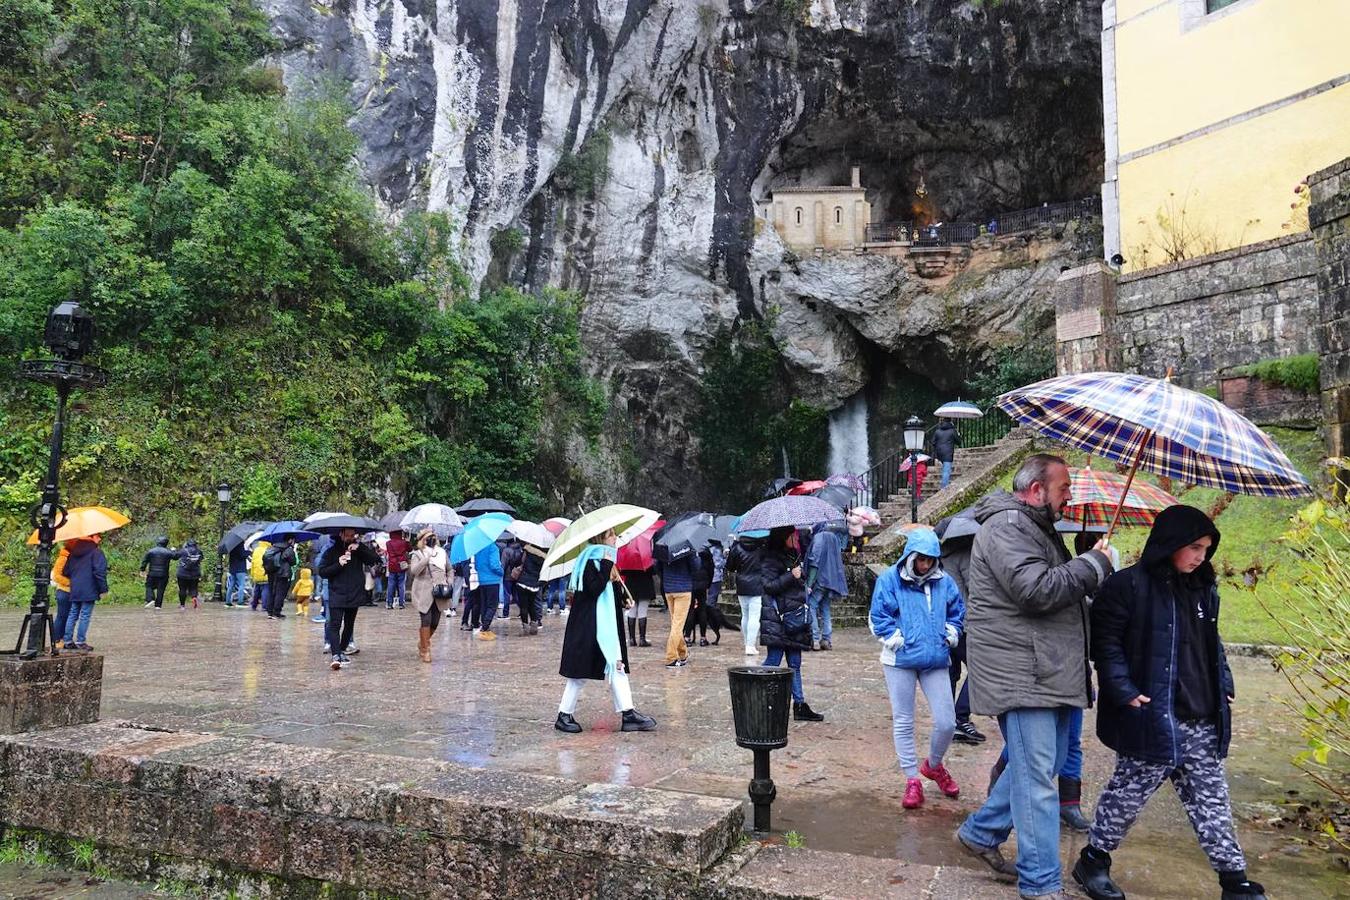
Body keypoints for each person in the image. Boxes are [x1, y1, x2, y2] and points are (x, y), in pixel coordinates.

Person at [1073, 506, 1266, 900]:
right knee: (1126, 798)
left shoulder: (1203, 589)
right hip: (1151, 715)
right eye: (1194, 547)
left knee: (1212, 802)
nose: (1200, 557)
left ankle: (1235, 882)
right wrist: (1124, 690)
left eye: (1207, 549)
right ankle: (1093, 860)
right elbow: (1105, 645)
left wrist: (1223, 681)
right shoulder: (1126, 586)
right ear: (1169, 542)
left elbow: (1212, 646)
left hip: (1201, 718)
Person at [955, 455, 1113, 899]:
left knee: (1041, 764)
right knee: (1037, 780)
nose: (1069, 497)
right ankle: (1041, 883)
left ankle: (981, 833)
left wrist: (1090, 568)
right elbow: (1036, 590)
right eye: (1063, 488)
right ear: (1035, 489)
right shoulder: (1007, 525)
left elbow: (1058, 593)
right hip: (1023, 674)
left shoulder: (1034, 528)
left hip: (1048, 669)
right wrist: (1093, 566)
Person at [869, 527, 964, 809]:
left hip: (935, 657)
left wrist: (950, 633)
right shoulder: (889, 580)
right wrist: (895, 639)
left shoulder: (944, 581)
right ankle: (912, 779)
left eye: (930, 560)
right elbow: (878, 615)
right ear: (910, 556)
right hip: (900, 660)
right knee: (903, 720)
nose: (924, 565)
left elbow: (957, 611)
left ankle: (933, 765)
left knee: (947, 721)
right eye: (920, 559)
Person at [554, 529, 657, 734]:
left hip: (607, 627)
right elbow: (593, 589)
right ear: (601, 538)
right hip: (590, 628)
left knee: (617, 666)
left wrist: (622, 598)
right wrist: (608, 564)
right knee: (578, 674)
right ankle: (564, 715)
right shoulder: (589, 562)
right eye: (611, 536)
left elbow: (607, 592)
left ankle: (628, 714)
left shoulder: (606, 562)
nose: (615, 539)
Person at [759, 526, 824, 722]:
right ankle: (758, 695)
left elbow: (799, 579)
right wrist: (791, 575)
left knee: (795, 664)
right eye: (791, 535)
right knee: (773, 662)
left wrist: (799, 574)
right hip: (779, 619)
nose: (795, 538)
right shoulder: (770, 558)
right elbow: (769, 586)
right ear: (782, 537)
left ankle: (800, 704)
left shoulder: (793, 554)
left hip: (795, 618)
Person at [935, 517, 985, 745]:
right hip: (963, 624)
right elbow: (976, 589)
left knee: (950, 673)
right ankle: (961, 718)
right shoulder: (966, 555)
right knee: (980, 668)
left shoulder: (938, 555)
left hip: (941, 624)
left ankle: (947, 721)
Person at [318, 528, 380, 669]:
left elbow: (374, 559)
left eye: (353, 535)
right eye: (348, 535)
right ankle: (335, 655)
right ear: (341, 535)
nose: (350, 538)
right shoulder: (331, 551)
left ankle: (342, 650)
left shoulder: (358, 550)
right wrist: (338, 564)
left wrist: (360, 548)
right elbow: (322, 572)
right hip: (337, 593)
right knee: (335, 624)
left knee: (349, 625)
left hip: (354, 593)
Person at [409, 529, 453, 663]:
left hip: (440, 592)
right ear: (422, 540)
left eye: (433, 537)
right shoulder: (417, 554)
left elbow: (450, 569)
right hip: (424, 593)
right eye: (428, 538)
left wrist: (449, 582)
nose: (431, 540)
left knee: (435, 622)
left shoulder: (441, 553)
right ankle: (426, 650)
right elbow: (414, 571)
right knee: (426, 620)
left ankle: (423, 642)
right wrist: (426, 559)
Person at [62, 533, 108, 652]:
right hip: (90, 588)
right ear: (91, 537)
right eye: (97, 536)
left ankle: (67, 640)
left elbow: (66, 571)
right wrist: (103, 589)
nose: (100, 538)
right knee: (85, 615)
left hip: (76, 588)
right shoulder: (96, 552)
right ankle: (80, 641)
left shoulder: (73, 552)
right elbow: (99, 572)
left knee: (73, 614)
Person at [804, 523, 846, 651]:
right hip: (832, 580)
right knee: (826, 609)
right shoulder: (834, 538)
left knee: (811, 605)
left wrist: (810, 583)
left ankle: (815, 638)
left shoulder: (819, 537)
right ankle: (826, 640)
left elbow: (815, 561)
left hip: (820, 580)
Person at [726, 533, 765, 656]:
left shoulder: (737, 547)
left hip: (742, 583)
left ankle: (747, 642)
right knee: (754, 616)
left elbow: (730, 567)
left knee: (745, 614)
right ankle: (750, 645)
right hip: (758, 583)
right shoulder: (762, 548)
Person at [658, 553, 695, 668]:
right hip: (683, 589)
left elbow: (657, 565)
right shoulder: (688, 549)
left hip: (669, 589)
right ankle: (671, 657)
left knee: (676, 623)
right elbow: (696, 566)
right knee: (678, 625)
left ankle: (683, 653)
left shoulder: (664, 547)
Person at [473, 537, 503, 641]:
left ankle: (485, 628)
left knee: (484, 605)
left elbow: (476, 566)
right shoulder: (493, 547)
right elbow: (495, 565)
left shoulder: (478, 548)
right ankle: (484, 628)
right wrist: (502, 572)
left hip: (482, 580)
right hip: (493, 580)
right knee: (493, 605)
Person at [622, 563, 657, 648]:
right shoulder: (647, 557)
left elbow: (622, 572)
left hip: (631, 586)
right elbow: (654, 571)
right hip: (645, 586)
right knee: (642, 611)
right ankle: (642, 639)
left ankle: (631, 639)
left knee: (632, 610)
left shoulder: (628, 556)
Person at [516, 540, 546, 635]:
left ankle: (525, 627)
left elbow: (517, 562)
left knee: (523, 606)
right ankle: (534, 626)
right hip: (534, 584)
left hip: (523, 582)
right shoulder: (544, 557)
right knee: (532, 605)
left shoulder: (527, 552)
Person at [263, 538, 297, 620]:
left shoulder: (272, 548)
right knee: (280, 593)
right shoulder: (288, 549)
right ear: (290, 540)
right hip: (283, 574)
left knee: (271, 591)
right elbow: (293, 562)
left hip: (271, 573)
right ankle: (276, 612)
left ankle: (270, 612)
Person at [140, 536, 177, 609]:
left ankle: (150, 599)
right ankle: (158, 606)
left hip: (152, 573)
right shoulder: (168, 552)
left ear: (157, 542)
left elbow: (145, 561)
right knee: (161, 589)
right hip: (163, 574)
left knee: (149, 586)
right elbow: (175, 557)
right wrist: (173, 551)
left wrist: (142, 569)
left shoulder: (151, 551)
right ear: (166, 543)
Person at [384, 529, 411, 609]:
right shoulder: (403, 542)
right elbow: (410, 549)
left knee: (391, 585)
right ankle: (401, 603)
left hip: (392, 565)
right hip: (401, 565)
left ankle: (389, 603)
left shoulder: (388, 543)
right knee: (401, 584)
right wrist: (407, 541)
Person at [932, 417, 961, 490]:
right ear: (950, 422)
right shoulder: (952, 431)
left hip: (939, 453)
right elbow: (958, 442)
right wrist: (958, 435)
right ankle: (944, 488)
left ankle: (944, 484)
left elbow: (933, 442)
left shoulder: (937, 431)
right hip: (948, 452)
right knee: (946, 470)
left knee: (945, 468)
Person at [175, 539, 205, 609]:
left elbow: (175, 556)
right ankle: (194, 597)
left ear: (187, 544)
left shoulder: (183, 551)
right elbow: (201, 559)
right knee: (194, 588)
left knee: (182, 589)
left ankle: (182, 605)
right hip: (195, 573)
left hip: (183, 573)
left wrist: (173, 551)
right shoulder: (199, 551)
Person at [225, 540, 251, 609]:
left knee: (231, 585)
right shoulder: (240, 544)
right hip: (240, 568)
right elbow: (242, 554)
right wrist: (249, 552)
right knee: (241, 585)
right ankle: (240, 602)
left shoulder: (231, 545)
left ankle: (228, 602)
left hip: (232, 568)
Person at [249, 540, 271, 612]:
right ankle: (264, 606)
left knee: (256, 591)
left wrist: (252, 574)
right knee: (265, 590)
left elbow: (253, 563)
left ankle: (254, 605)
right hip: (265, 574)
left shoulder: (256, 550)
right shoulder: (268, 550)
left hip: (256, 574)